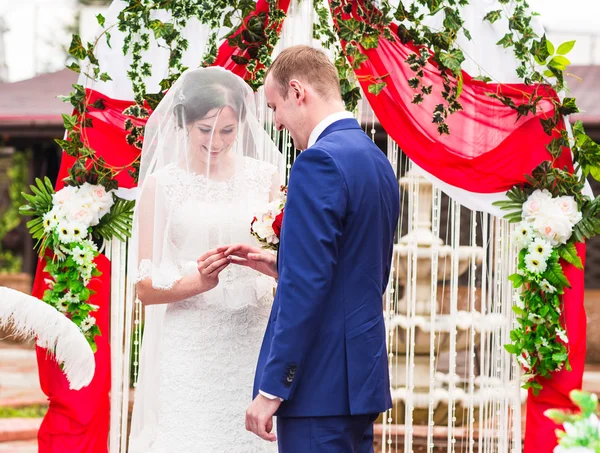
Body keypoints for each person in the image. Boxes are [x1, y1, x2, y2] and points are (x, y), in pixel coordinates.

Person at [224, 45, 400, 453]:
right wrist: (283, 262)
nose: (277, 122)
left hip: (317, 386)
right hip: (359, 380)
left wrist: (273, 386)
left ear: (297, 91)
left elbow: (307, 287)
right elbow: (361, 267)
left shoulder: (317, 162)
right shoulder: (375, 160)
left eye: (275, 107)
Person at [127, 67, 283, 453]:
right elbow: (144, 289)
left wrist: (268, 264)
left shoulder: (266, 177)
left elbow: (291, 263)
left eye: (227, 131)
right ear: (184, 123)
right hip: (190, 346)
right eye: (204, 129)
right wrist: (199, 281)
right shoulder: (162, 186)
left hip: (253, 339)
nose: (216, 141)